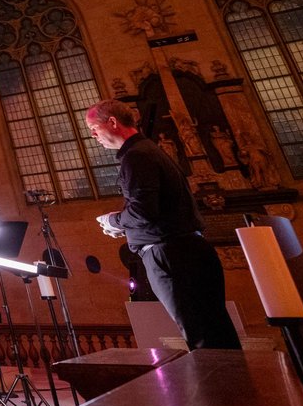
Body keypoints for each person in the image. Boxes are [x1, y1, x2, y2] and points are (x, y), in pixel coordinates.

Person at [88, 99, 241, 350]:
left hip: (171, 255)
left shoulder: (136, 157)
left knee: (203, 338)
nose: (93, 135)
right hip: (187, 251)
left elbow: (143, 211)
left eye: (94, 127)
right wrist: (127, 223)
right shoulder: (149, 150)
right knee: (215, 333)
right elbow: (152, 209)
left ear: (112, 122)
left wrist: (113, 220)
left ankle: (222, 390)